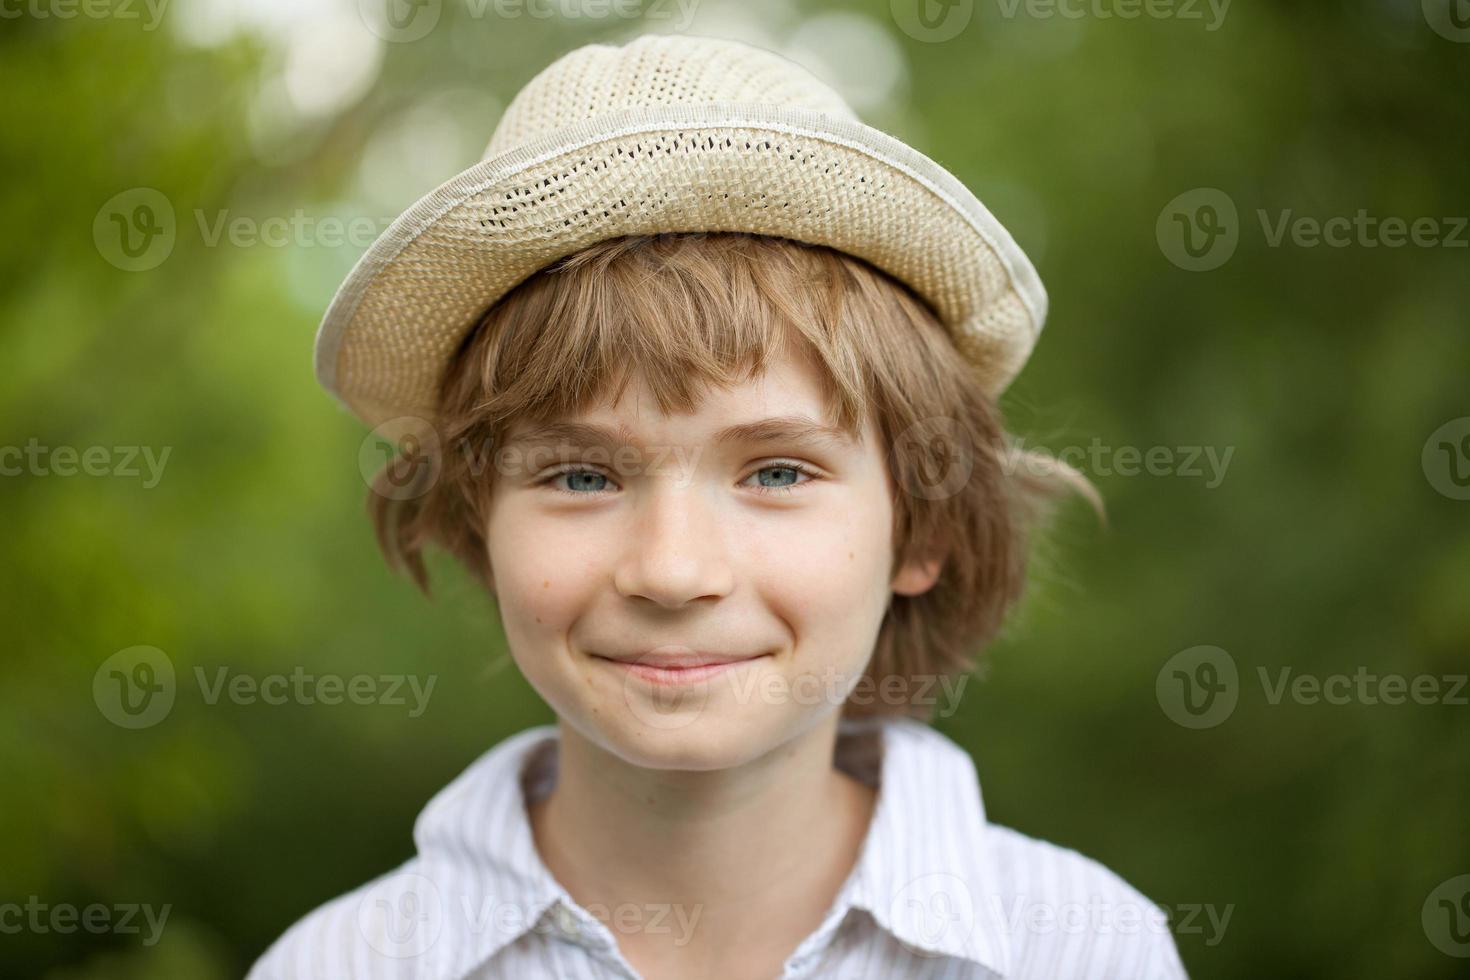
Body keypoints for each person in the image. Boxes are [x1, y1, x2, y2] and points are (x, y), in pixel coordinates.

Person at [249, 32, 1188, 980]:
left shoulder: (1082, 949)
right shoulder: (339, 965)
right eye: (581, 477)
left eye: (778, 473)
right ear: (477, 525)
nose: (672, 569)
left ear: (925, 525)